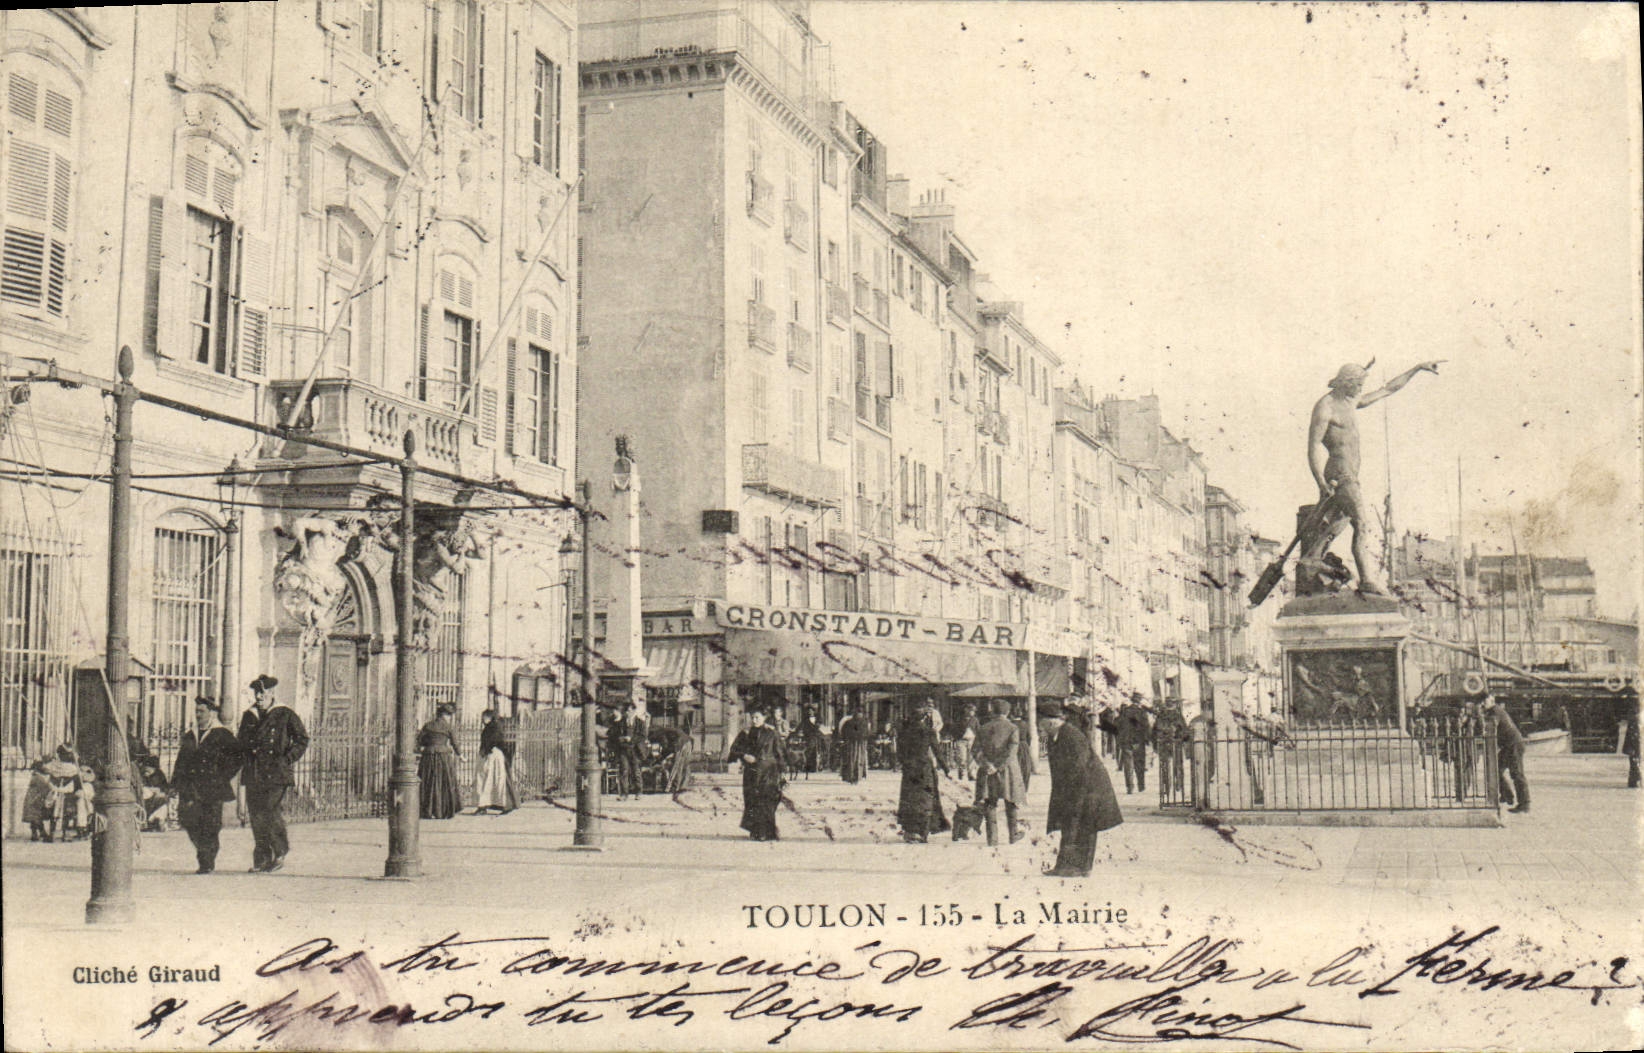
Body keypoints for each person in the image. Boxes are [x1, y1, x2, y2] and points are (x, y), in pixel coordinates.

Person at [1304, 360, 1441, 596]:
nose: (1361, 389)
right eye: (1357, 385)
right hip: (1339, 473)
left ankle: (1312, 559)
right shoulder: (1325, 407)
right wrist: (1321, 482)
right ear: (1346, 383)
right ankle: (1366, 580)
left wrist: (1417, 368)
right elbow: (1313, 446)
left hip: (1350, 473)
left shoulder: (1349, 400)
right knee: (1361, 523)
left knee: (1340, 522)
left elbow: (1387, 389)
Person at [1040, 700, 1123, 877]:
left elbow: (1081, 766)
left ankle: (1080, 868)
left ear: (1051, 722)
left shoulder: (1071, 735)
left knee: (1084, 825)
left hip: (1089, 786)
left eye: (1041, 723)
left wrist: (1074, 795)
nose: (1039, 727)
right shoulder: (1057, 736)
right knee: (1072, 825)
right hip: (1076, 786)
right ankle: (1067, 867)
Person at [237, 674, 309, 873]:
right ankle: (262, 858)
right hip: (254, 772)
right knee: (256, 815)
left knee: (270, 810)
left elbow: (302, 739)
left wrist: (287, 758)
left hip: (276, 773)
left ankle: (279, 851)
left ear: (271, 693)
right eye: (256, 693)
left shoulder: (284, 714)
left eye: (262, 693)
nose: (258, 697)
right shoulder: (249, 715)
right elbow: (241, 742)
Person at [172, 697, 243, 873]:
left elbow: (237, 757)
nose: (198, 715)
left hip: (213, 788)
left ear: (211, 713)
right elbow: (181, 761)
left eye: (201, 711)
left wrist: (223, 775)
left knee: (210, 824)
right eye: (196, 711)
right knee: (189, 821)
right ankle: (205, 853)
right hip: (191, 787)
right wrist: (174, 784)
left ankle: (207, 861)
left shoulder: (222, 734)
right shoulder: (191, 735)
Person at [727, 708, 786, 841]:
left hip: (769, 771)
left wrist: (782, 772)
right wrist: (744, 755)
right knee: (752, 800)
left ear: (764, 718)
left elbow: (780, 753)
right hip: (752, 772)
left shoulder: (772, 733)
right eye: (752, 717)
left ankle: (767, 831)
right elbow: (734, 749)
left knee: (767, 800)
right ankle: (756, 831)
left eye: (757, 717)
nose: (754, 720)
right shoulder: (746, 733)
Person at [973, 698, 1026, 846]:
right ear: (1007, 712)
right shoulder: (1013, 728)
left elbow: (975, 750)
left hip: (987, 771)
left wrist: (987, 765)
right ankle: (1013, 834)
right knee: (1011, 801)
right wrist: (999, 766)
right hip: (1008, 770)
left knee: (989, 802)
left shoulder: (983, 728)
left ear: (992, 712)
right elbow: (1011, 752)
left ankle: (992, 839)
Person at [897, 698, 950, 843]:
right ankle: (923, 832)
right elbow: (938, 752)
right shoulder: (928, 731)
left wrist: (904, 763)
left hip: (909, 769)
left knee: (909, 799)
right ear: (924, 718)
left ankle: (910, 831)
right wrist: (946, 769)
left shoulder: (904, 731)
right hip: (924, 768)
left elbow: (899, 752)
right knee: (926, 799)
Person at [1480, 694, 1529, 813]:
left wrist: (1479, 715)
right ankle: (1507, 795)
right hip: (1509, 746)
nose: (1483, 704)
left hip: (1514, 745)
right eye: (1482, 702)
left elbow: (1491, 725)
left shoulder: (1495, 711)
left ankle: (1525, 804)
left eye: (1485, 701)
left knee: (1517, 773)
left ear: (1492, 701)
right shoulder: (1492, 711)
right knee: (1495, 769)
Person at [417, 702, 463, 819]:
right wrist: (461, 755)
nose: (449, 717)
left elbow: (420, 740)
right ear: (444, 715)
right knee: (443, 783)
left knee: (428, 782)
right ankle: (442, 810)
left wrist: (428, 745)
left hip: (428, 756)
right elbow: (455, 743)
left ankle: (427, 810)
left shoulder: (428, 725)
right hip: (443, 757)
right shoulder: (448, 727)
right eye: (448, 715)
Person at [473, 708, 517, 814]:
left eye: (484, 717)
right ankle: (484, 805)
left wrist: (485, 750)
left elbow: (494, 741)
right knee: (487, 780)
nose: (482, 719)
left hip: (493, 755)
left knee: (491, 779)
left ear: (489, 717)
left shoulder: (494, 727)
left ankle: (500, 804)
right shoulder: (490, 727)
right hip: (489, 755)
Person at [1152, 697, 1189, 799]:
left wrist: (1155, 745)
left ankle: (1167, 786)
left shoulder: (1160, 716)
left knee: (1165, 765)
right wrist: (1183, 739)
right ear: (1174, 704)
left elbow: (1154, 731)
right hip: (1176, 743)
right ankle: (1179, 784)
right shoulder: (1178, 715)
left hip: (1163, 743)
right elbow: (1184, 731)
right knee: (1178, 764)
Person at [1116, 692, 1151, 794]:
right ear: (1139, 701)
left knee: (1128, 765)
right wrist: (1147, 740)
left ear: (1132, 700)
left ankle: (1130, 787)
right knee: (1139, 764)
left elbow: (1118, 725)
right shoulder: (1142, 712)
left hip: (1126, 741)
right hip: (1138, 741)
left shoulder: (1124, 711)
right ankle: (1141, 786)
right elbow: (1146, 727)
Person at [610, 703, 644, 799]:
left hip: (635, 750)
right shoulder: (621, 723)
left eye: (629, 711)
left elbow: (643, 736)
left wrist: (631, 739)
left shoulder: (640, 722)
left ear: (634, 711)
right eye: (626, 711)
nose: (627, 713)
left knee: (636, 771)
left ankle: (638, 792)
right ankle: (624, 794)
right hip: (623, 750)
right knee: (624, 771)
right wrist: (621, 738)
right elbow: (615, 735)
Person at [650, 722, 693, 794]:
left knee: (675, 767)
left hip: (681, 744)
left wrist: (659, 759)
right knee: (684, 766)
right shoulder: (666, 731)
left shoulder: (660, 734)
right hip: (688, 742)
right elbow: (667, 748)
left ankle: (671, 787)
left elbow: (666, 747)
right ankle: (683, 786)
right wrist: (661, 758)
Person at [839, 704, 870, 784]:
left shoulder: (862, 722)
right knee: (853, 760)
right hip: (852, 744)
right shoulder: (850, 722)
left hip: (858, 744)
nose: (859, 714)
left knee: (856, 760)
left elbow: (866, 733)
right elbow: (844, 732)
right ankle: (852, 777)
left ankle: (855, 777)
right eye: (858, 713)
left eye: (860, 713)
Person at [1621, 705, 1641, 790]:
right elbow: (1630, 734)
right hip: (1635, 743)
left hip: (1637, 743)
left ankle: (1635, 780)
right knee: (1634, 763)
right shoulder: (1634, 718)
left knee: (1635, 762)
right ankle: (1634, 781)